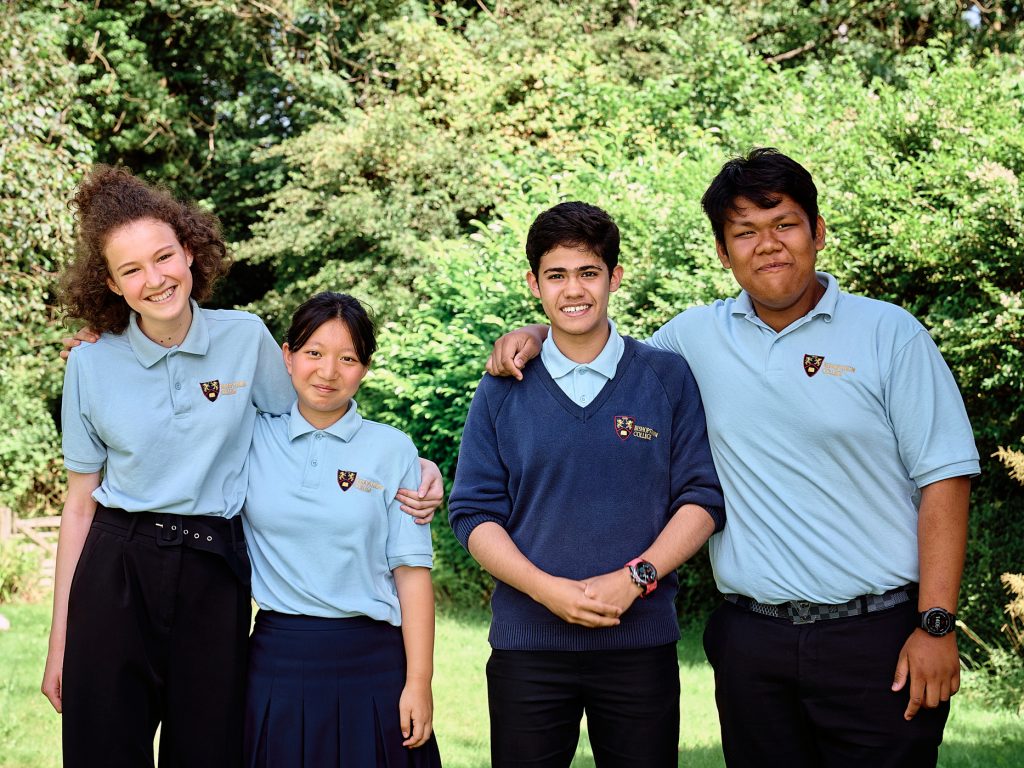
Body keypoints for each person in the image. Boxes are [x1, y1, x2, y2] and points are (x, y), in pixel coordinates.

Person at [486, 149, 980, 767]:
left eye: (785, 224)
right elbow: (598, 344)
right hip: (752, 645)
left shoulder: (890, 334)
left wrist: (936, 623)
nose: (767, 245)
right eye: (745, 232)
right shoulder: (693, 340)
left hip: (875, 639)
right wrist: (531, 336)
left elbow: (946, 479)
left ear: (818, 231)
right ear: (723, 253)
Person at [42, 166, 442, 768]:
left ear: (189, 251)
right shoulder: (90, 364)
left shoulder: (246, 337)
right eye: (131, 270)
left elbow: (312, 418)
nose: (154, 279)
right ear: (111, 283)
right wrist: (59, 641)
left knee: (208, 752)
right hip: (117, 566)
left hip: (214, 572)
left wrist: (415, 464)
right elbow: (79, 505)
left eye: (163, 257)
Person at [448, 202, 724, 767]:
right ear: (534, 284)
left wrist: (636, 579)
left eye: (588, 272)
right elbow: (473, 514)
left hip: (639, 644)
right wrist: (547, 589)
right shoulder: (502, 388)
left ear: (615, 278)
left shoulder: (665, 378)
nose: (573, 290)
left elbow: (701, 499)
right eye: (556, 275)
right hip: (528, 648)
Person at [242, 291, 442, 767]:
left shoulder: (393, 449)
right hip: (276, 660)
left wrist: (419, 683)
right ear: (286, 357)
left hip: (372, 664)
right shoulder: (248, 434)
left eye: (347, 358)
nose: (328, 372)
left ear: (365, 368)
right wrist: (108, 338)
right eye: (313, 353)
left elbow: (412, 575)